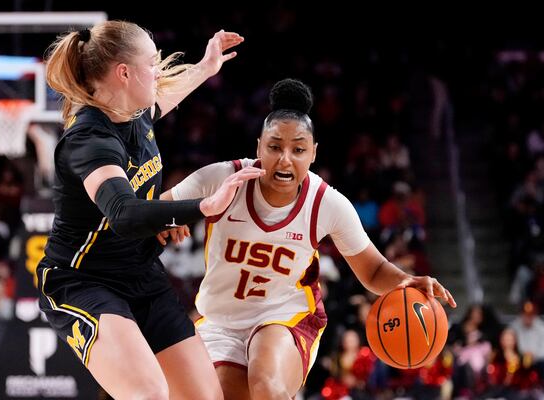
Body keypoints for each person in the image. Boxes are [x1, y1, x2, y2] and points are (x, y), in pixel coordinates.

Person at [161, 78, 457, 399]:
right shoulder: (222, 178)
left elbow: (371, 271)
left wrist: (406, 281)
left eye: (298, 149)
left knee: (266, 385)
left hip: (286, 316)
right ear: (259, 146)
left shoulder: (327, 203)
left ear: (313, 153)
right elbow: (157, 208)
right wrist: (171, 215)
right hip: (220, 319)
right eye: (274, 147)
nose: (285, 159)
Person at [38, 20, 264, 400]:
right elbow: (124, 214)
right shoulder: (91, 140)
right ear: (124, 73)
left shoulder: (133, 111)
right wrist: (203, 207)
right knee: (148, 393)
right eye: (152, 62)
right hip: (82, 281)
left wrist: (207, 66)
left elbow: (171, 92)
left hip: (140, 274)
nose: (159, 70)